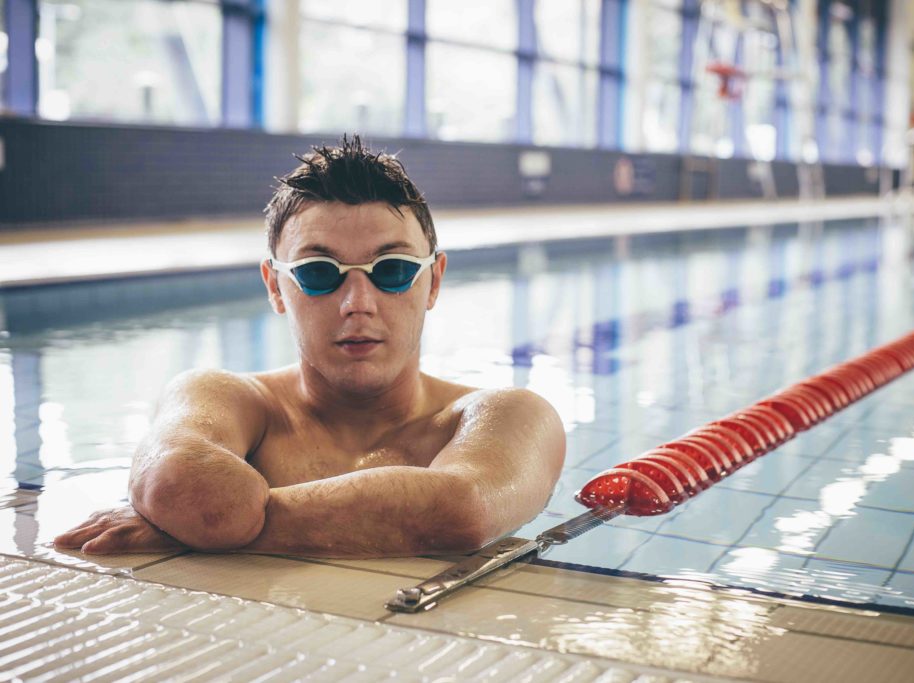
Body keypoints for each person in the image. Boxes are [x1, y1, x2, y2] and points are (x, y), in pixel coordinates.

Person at [55, 136, 565, 558]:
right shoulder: (221, 396)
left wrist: (200, 531)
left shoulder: (509, 414)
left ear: (433, 281)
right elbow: (179, 486)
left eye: (392, 270)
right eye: (319, 273)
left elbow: (462, 509)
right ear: (276, 287)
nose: (357, 303)